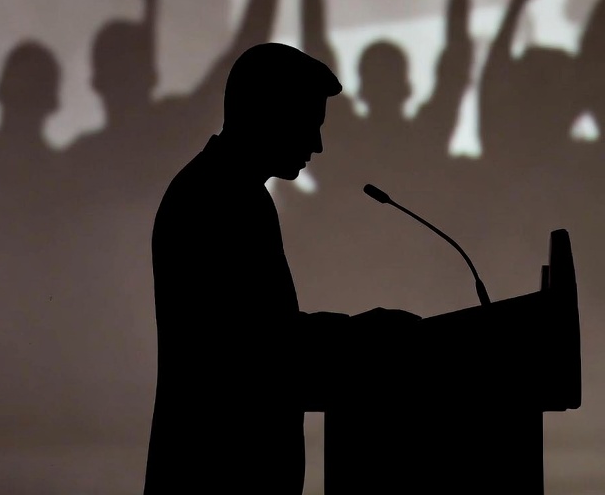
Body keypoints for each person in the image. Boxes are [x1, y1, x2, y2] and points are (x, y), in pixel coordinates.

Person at [142, 42, 419, 494]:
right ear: (269, 113)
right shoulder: (219, 199)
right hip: (218, 469)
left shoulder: (228, 190)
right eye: (310, 124)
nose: (318, 144)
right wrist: (366, 335)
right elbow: (256, 346)